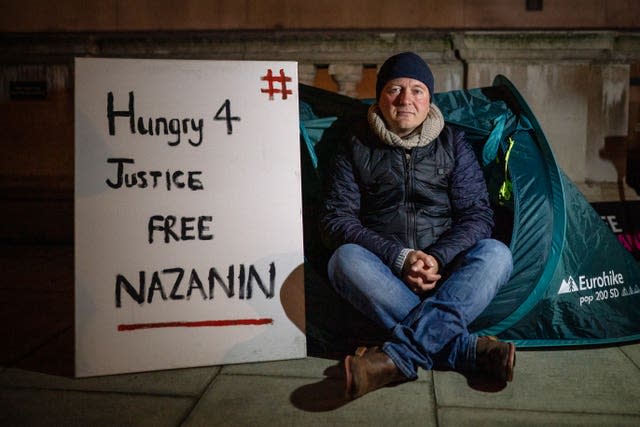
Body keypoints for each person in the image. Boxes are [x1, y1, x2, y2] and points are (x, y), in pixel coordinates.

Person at [319, 52, 515, 399]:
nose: (405, 99)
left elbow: (477, 214)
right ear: (379, 97)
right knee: (343, 260)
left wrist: (437, 258)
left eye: (417, 90)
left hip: (447, 274)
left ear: (429, 99)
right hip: (384, 274)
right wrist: (400, 257)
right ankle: (466, 350)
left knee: (496, 254)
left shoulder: (452, 143)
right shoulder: (353, 143)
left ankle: (398, 359)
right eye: (395, 89)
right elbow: (337, 219)